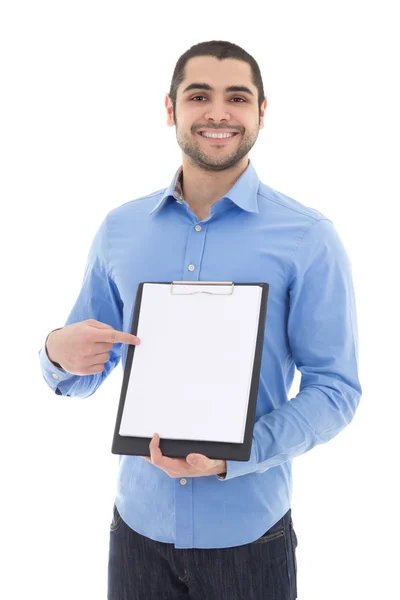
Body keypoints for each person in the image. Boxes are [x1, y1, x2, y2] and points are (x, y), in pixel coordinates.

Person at [38, 39, 362, 600]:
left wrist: (237, 455)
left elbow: (335, 389)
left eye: (237, 97)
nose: (218, 112)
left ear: (262, 112)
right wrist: (55, 352)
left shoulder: (309, 238)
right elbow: (88, 365)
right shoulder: (120, 229)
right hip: (137, 530)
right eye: (198, 95)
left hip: (249, 538)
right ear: (171, 110)